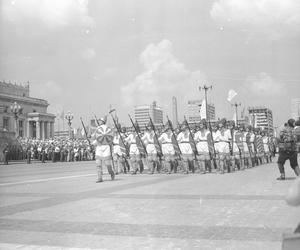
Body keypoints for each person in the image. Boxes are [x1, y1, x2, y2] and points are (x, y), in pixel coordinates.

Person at [92, 116, 115, 182]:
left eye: (100, 121)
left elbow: (110, 137)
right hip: (99, 147)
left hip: (106, 147)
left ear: (103, 121)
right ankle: (99, 178)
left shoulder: (108, 128)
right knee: (98, 163)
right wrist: (91, 139)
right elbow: (95, 137)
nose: (99, 122)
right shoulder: (98, 128)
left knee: (108, 164)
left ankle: (111, 173)